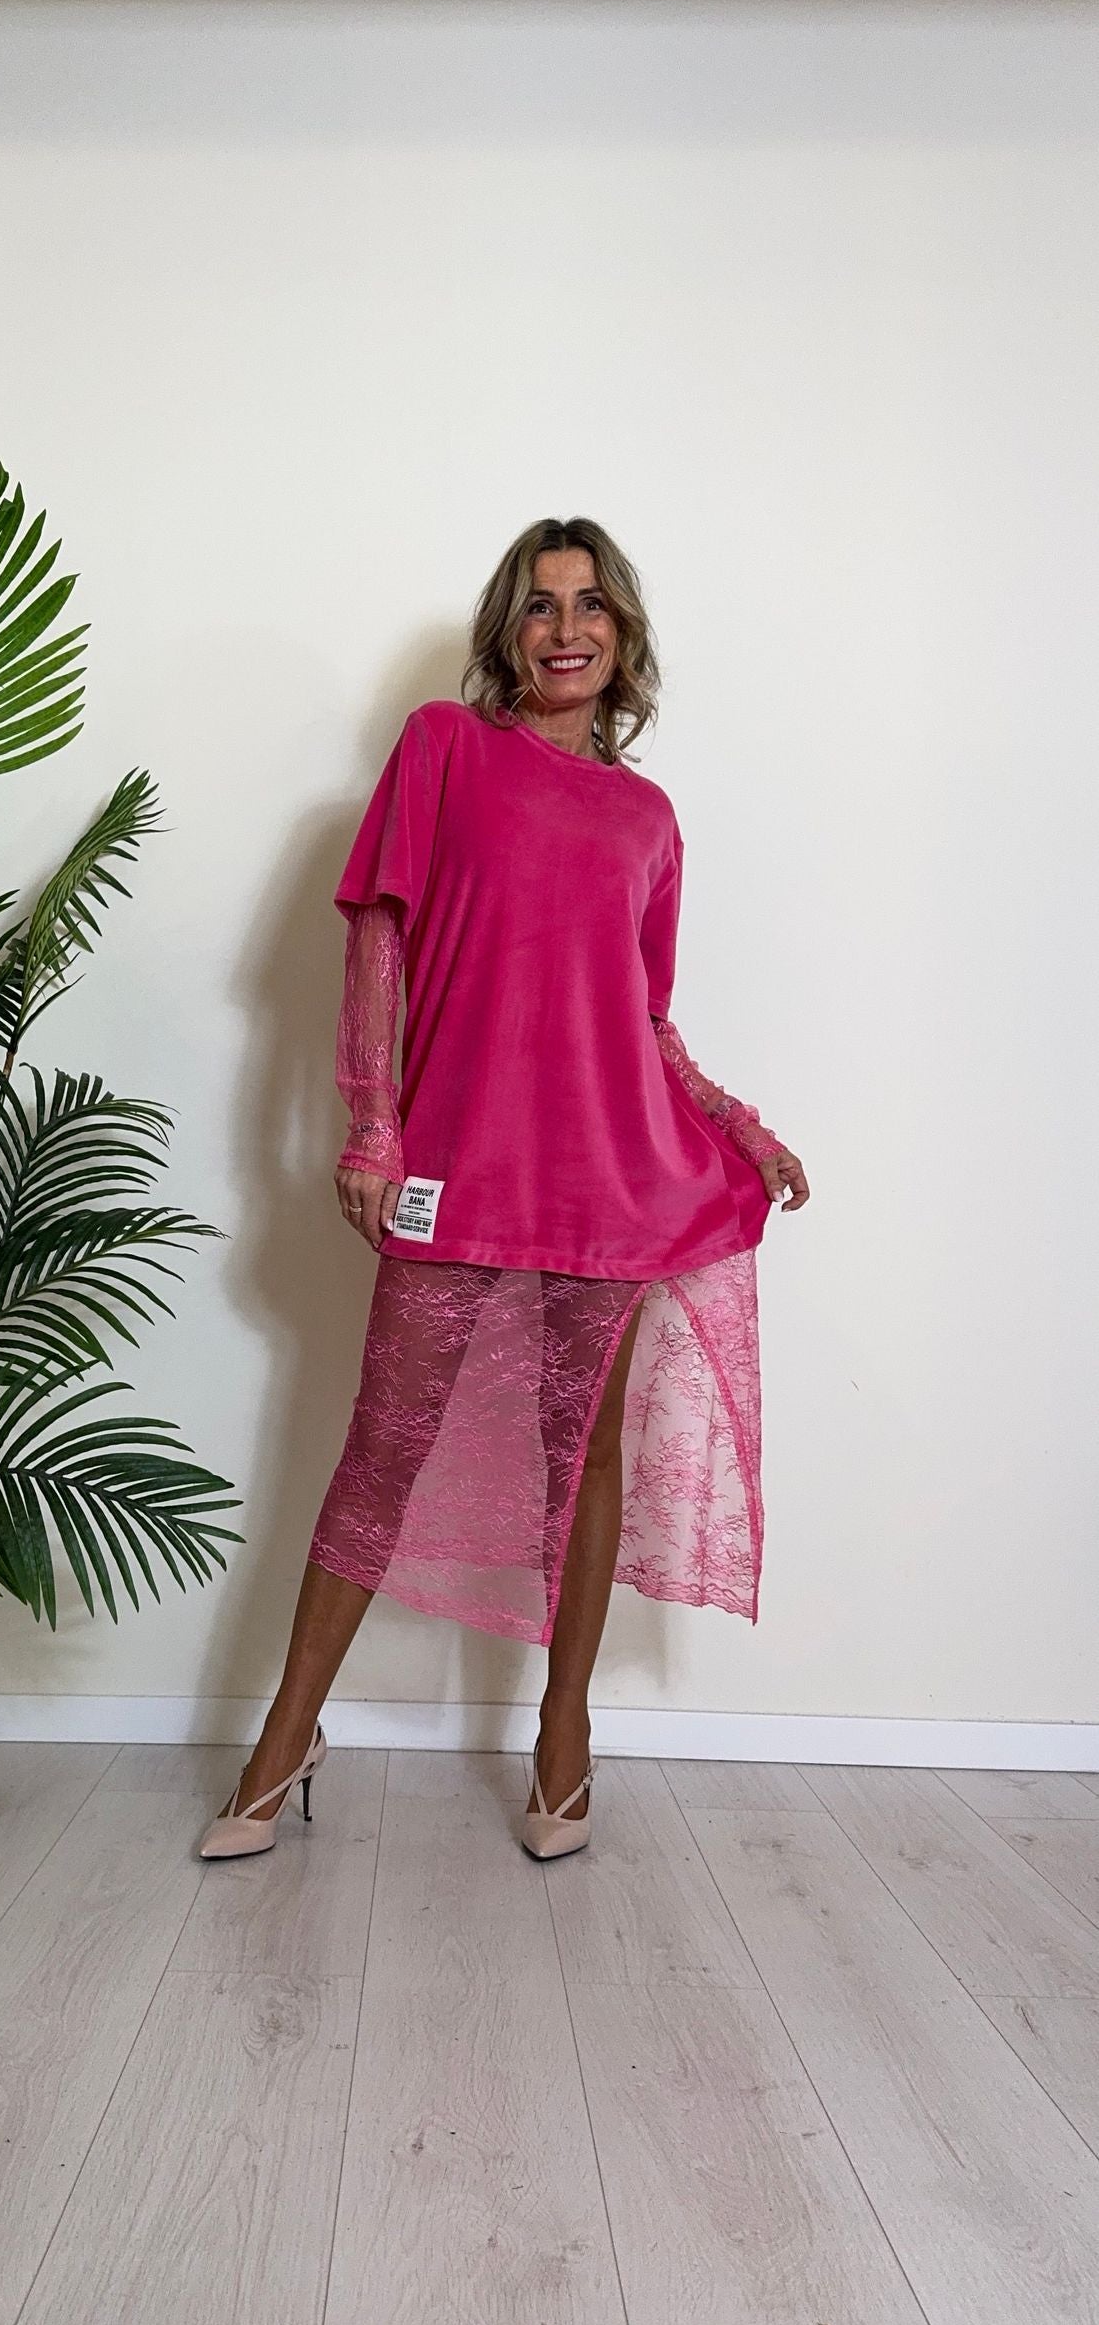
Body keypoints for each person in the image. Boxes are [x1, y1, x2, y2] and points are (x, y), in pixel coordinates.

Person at [198, 516, 809, 1864]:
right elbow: (379, 935)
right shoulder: (445, 749)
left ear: (624, 636)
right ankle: (286, 1736)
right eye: (540, 605)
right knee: (382, 1450)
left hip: (610, 1184)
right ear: (507, 632)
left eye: (591, 606)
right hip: (457, 1171)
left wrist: (738, 1127)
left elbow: (643, 1021)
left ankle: (563, 1733)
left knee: (581, 1459)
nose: (566, 628)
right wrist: (373, 1128)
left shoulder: (649, 819)